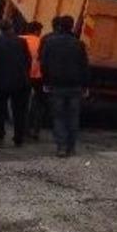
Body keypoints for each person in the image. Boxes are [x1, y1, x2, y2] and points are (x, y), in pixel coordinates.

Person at [39, 15, 89, 158]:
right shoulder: (79, 44)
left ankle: (61, 147)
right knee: (73, 117)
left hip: (56, 86)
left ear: (59, 26)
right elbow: (84, 66)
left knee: (59, 117)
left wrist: (46, 82)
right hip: (75, 87)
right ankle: (71, 147)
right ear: (72, 26)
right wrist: (85, 86)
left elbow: (44, 63)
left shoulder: (50, 42)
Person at [0, 20, 32, 148]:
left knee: (0, 111)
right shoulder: (21, 42)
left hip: (1, 82)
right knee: (19, 111)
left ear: (0, 30)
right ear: (12, 28)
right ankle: (18, 138)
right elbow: (28, 60)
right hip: (20, 82)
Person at [20, 21, 48, 141]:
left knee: (23, 104)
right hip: (38, 76)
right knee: (39, 104)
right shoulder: (42, 42)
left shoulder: (19, 39)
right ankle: (36, 130)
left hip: (23, 76)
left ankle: (23, 129)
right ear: (37, 31)